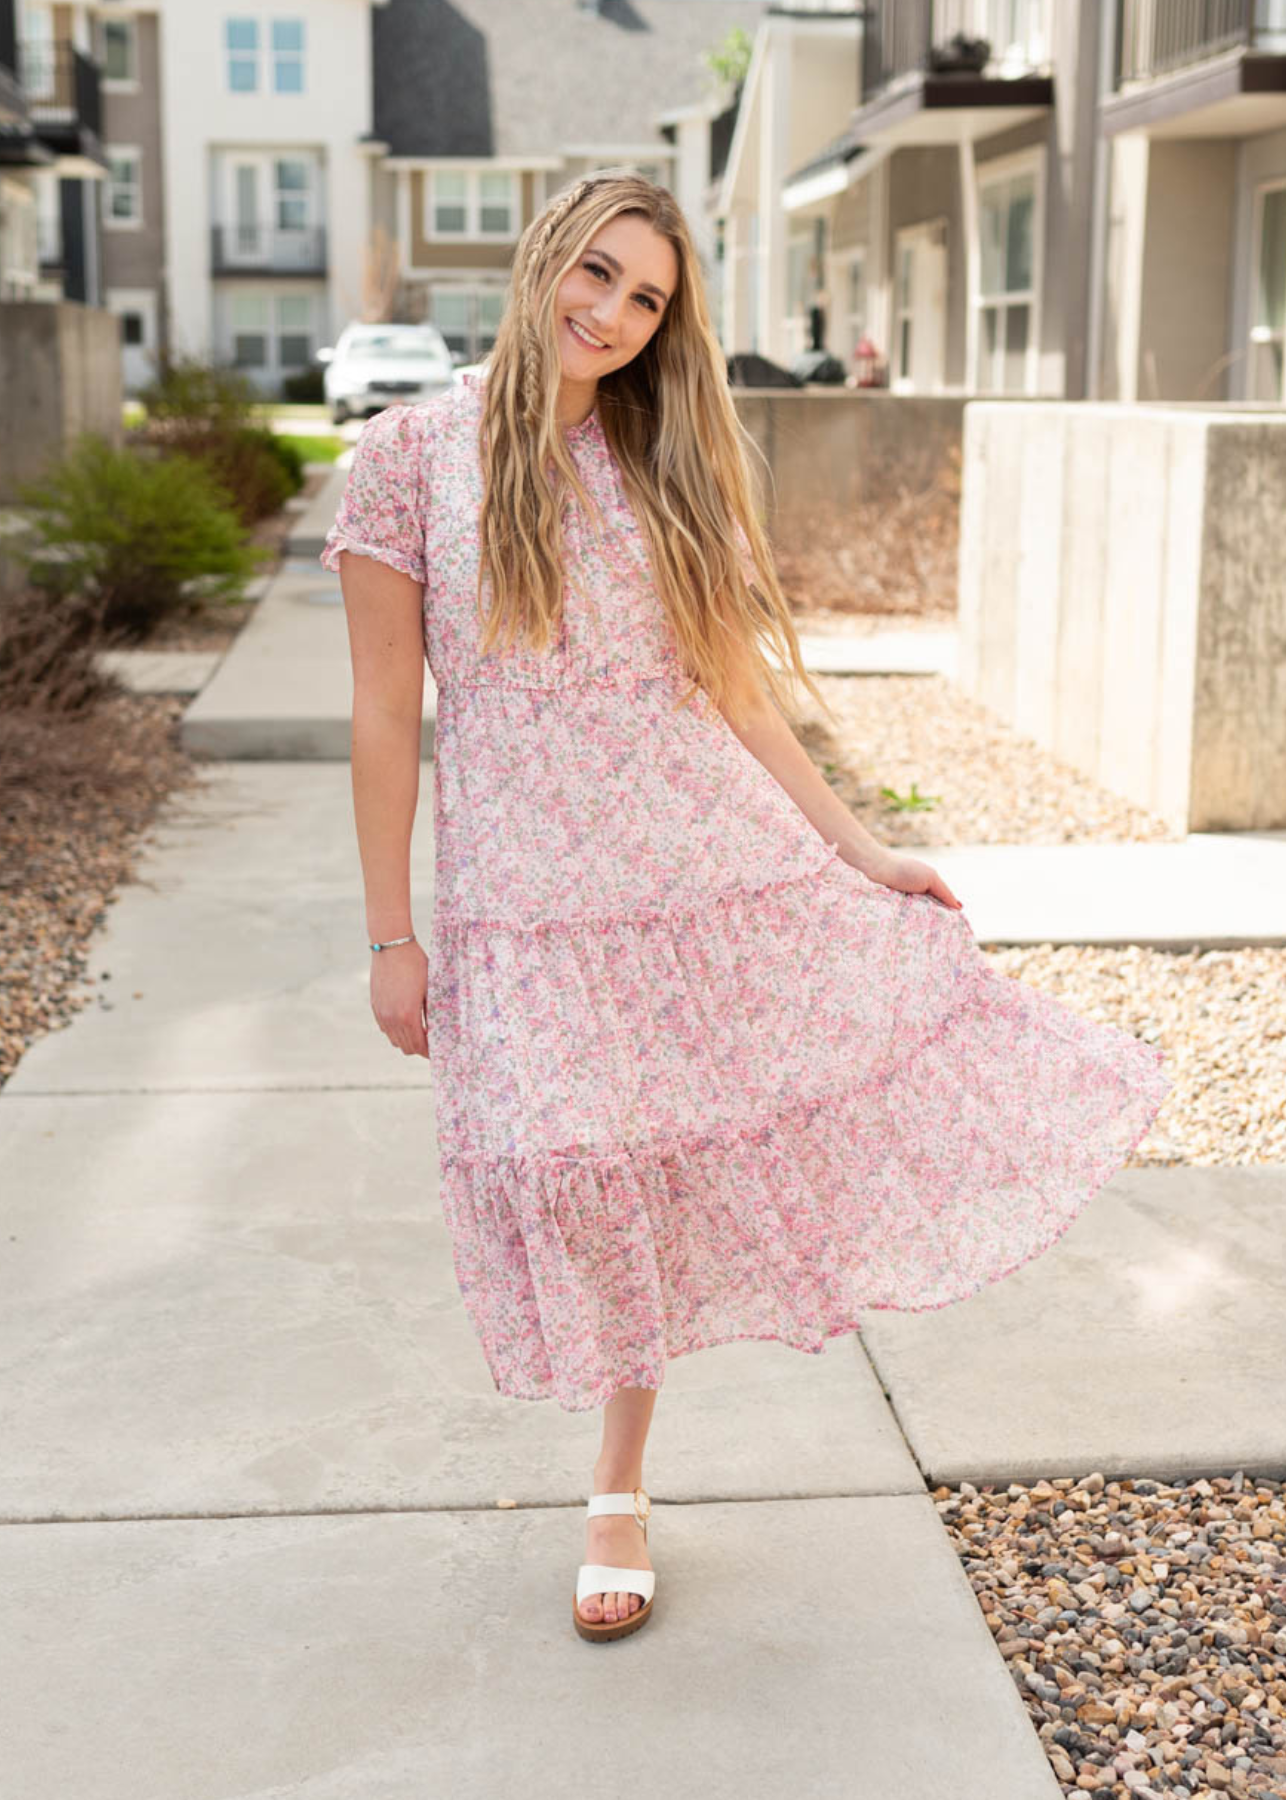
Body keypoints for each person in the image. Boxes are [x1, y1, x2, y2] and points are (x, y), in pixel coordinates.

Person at [320, 170, 1172, 1645]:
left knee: (643, 1170)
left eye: (644, 299)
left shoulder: (653, 466)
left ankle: (618, 1483)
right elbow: (387, 714)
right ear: (542, 264)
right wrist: (391, 934)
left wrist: (858, 850)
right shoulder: (406, 458)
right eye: (595, 274)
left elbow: (726, 680)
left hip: (685, 865)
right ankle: (614, 1464)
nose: (608, 312)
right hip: (519, 899)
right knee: (560, 1166)